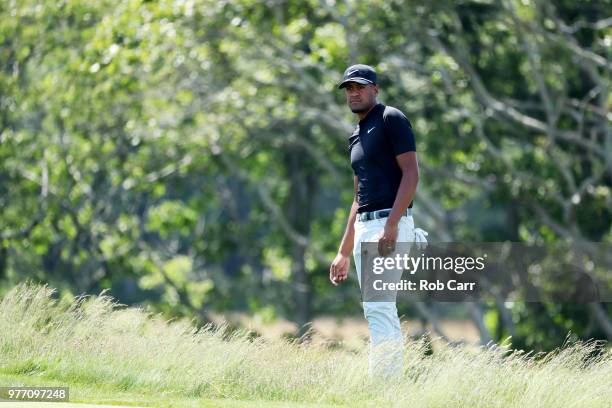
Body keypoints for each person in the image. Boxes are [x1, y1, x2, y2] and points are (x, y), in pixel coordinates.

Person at [329, 64, 428, 378]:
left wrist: (392, 225)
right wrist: (343, 252)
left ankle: (385, 387)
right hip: (366, 227)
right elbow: (359, 198)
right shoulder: (356, 136)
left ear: (375, 89)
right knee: (377, 308)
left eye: (360, 86)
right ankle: (387, 385)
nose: (353, 92)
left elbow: (411, 175)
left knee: (379, 308)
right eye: (348, 88)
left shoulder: (390, 119)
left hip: (387, 225)